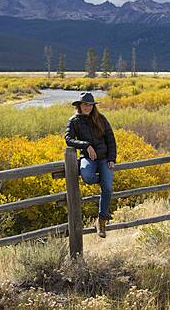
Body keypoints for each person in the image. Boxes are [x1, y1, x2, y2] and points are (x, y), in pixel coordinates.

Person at [65, 92, 116, 238]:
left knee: (107, 189)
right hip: (88, 158)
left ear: (93, 106)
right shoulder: (74, 121)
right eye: (85, 104)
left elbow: (111, 139)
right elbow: (68, 139)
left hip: (105, 158)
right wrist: (85, 145)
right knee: (87, 176)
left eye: (90, 105)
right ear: (79, 106)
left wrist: (112, 158)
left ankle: (101, 220)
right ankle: (104, 179)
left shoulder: (101, 119)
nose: (87, 107)